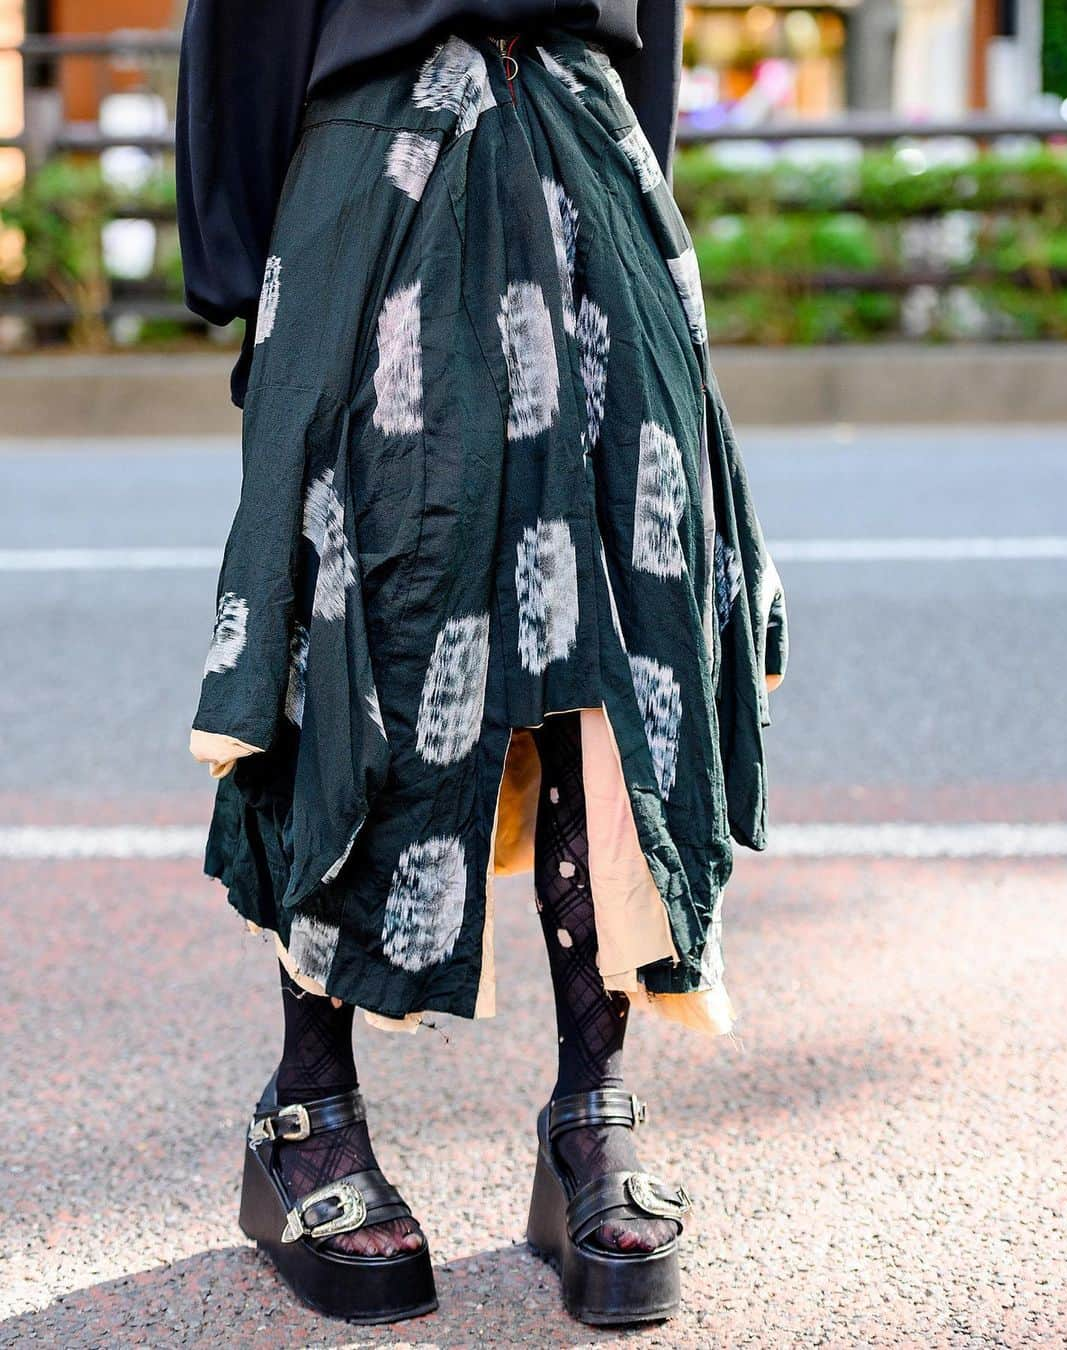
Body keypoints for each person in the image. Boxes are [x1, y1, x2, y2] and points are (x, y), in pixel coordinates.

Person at [177, 0, 787, 1327]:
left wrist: (636, 172)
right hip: (375, 154)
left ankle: (593, 1105)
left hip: (586, 139)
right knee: (357, 610)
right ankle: (308, 1105)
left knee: (625, 619)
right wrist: (247, 260)